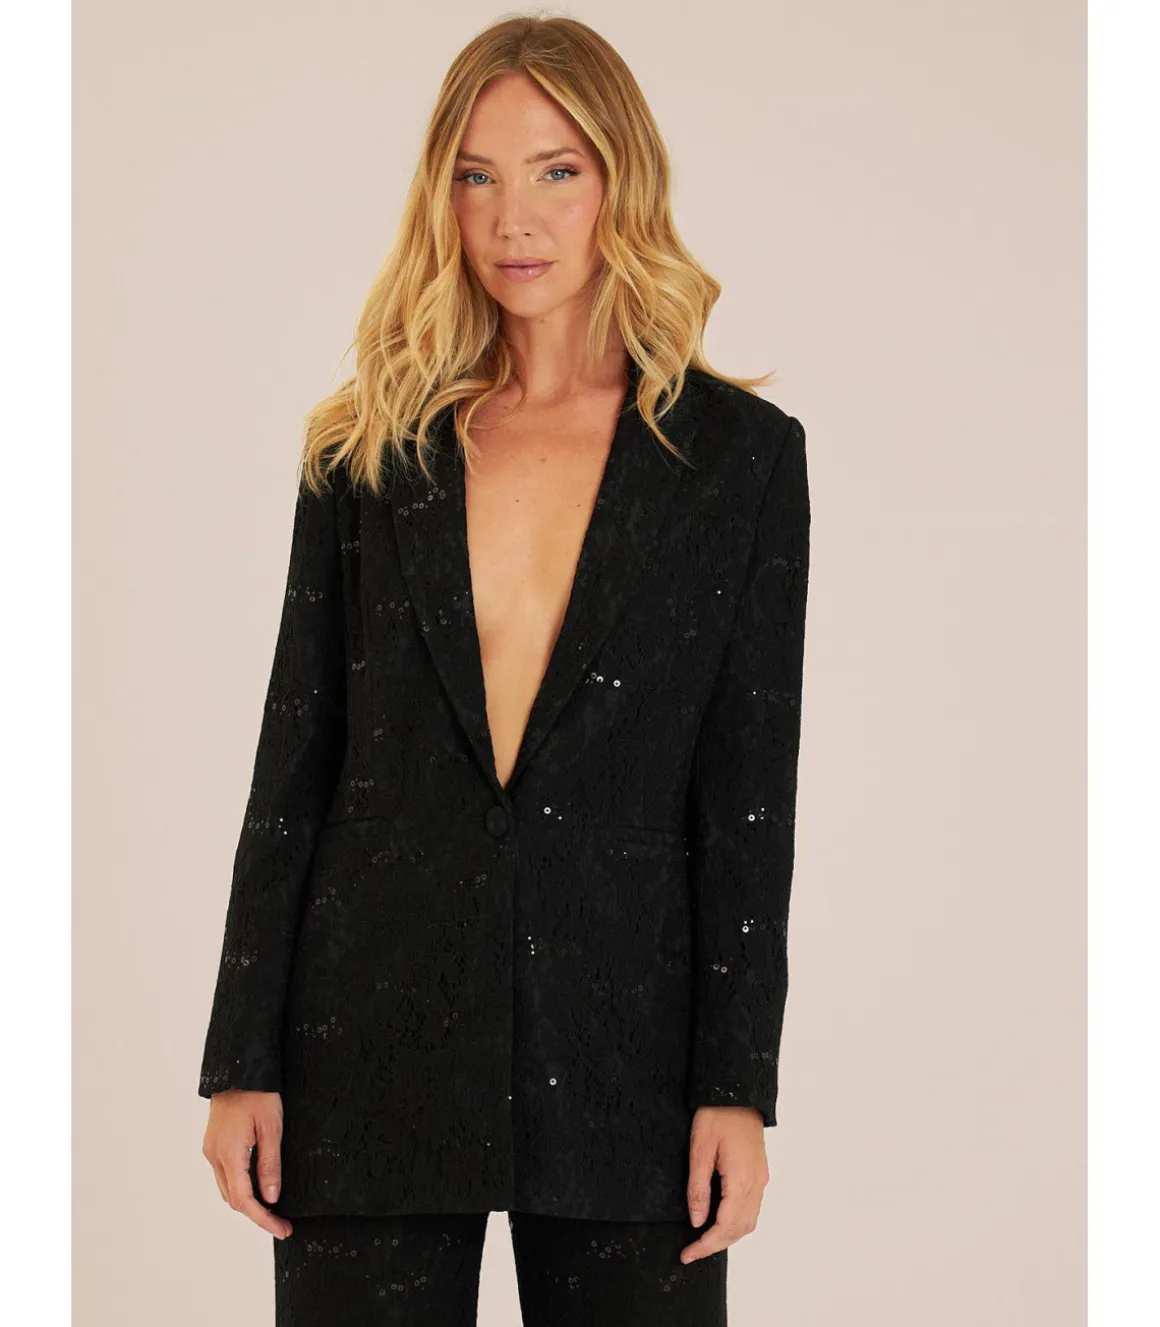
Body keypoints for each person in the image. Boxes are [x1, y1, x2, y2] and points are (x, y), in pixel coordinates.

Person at [198, 14, 811, 1326]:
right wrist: (242, 1053)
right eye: (476, 174)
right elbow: (294, 761)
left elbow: (747, 796)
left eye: (555, 171)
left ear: (620, 180)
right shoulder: (367, 448)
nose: (512, 217)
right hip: (367, 1027)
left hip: (629, 1046)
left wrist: (737, 1084)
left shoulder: (740, 461)